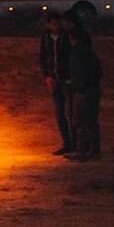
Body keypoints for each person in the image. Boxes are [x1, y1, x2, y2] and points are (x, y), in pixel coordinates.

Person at [64, 27, 102, 161]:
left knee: (80, 121)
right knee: (91, 120)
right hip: (93, 89)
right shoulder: (88, 51)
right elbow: (98, 71)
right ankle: (94, 150)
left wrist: (78, 87)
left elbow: (78, 72)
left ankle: (81, 151)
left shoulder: (77, 52)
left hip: (83, 91)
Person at [39, 10, 73, 155]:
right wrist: (47, 75)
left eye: (58, 23)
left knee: (70, 112)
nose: (56, 26)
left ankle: (75, 142)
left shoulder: (66, 38)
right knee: (60, 113)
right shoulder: (46, 39)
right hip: (54, 79)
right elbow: (43, 58)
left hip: (67, 79)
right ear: (48, 25)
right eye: (54, 24)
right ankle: (67, 142)